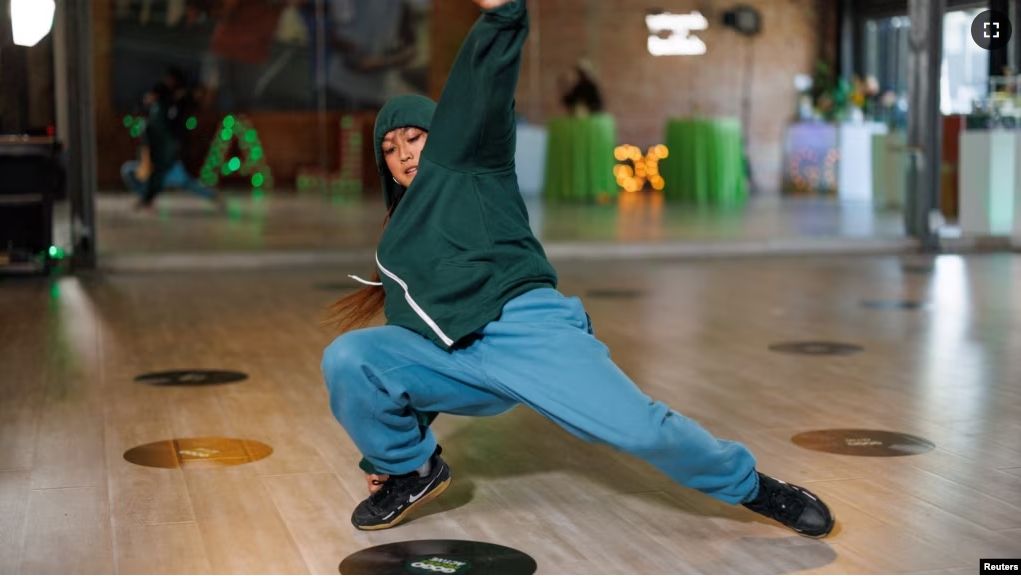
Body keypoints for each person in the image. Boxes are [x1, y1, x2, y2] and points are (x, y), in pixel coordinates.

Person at [320, 0, 835, 539]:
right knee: (351, 356)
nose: (402, 153)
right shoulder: (397, 243)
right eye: (389, 147)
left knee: (640, 430)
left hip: (525, 332)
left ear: (441, 136)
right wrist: (389, 454)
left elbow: (481, 87)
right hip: (460, 362)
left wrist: (501, 17)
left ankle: (754, 487)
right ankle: (416, 473)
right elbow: (415, 342)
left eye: (414, 137)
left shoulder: (470, 165)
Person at [121, 67, 221, 212]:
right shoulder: (160, 109)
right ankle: (147, 197)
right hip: (162, 155)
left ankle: (148, 198)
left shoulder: (171, 107)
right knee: (137, 173)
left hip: (167, 154)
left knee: (179, 180)